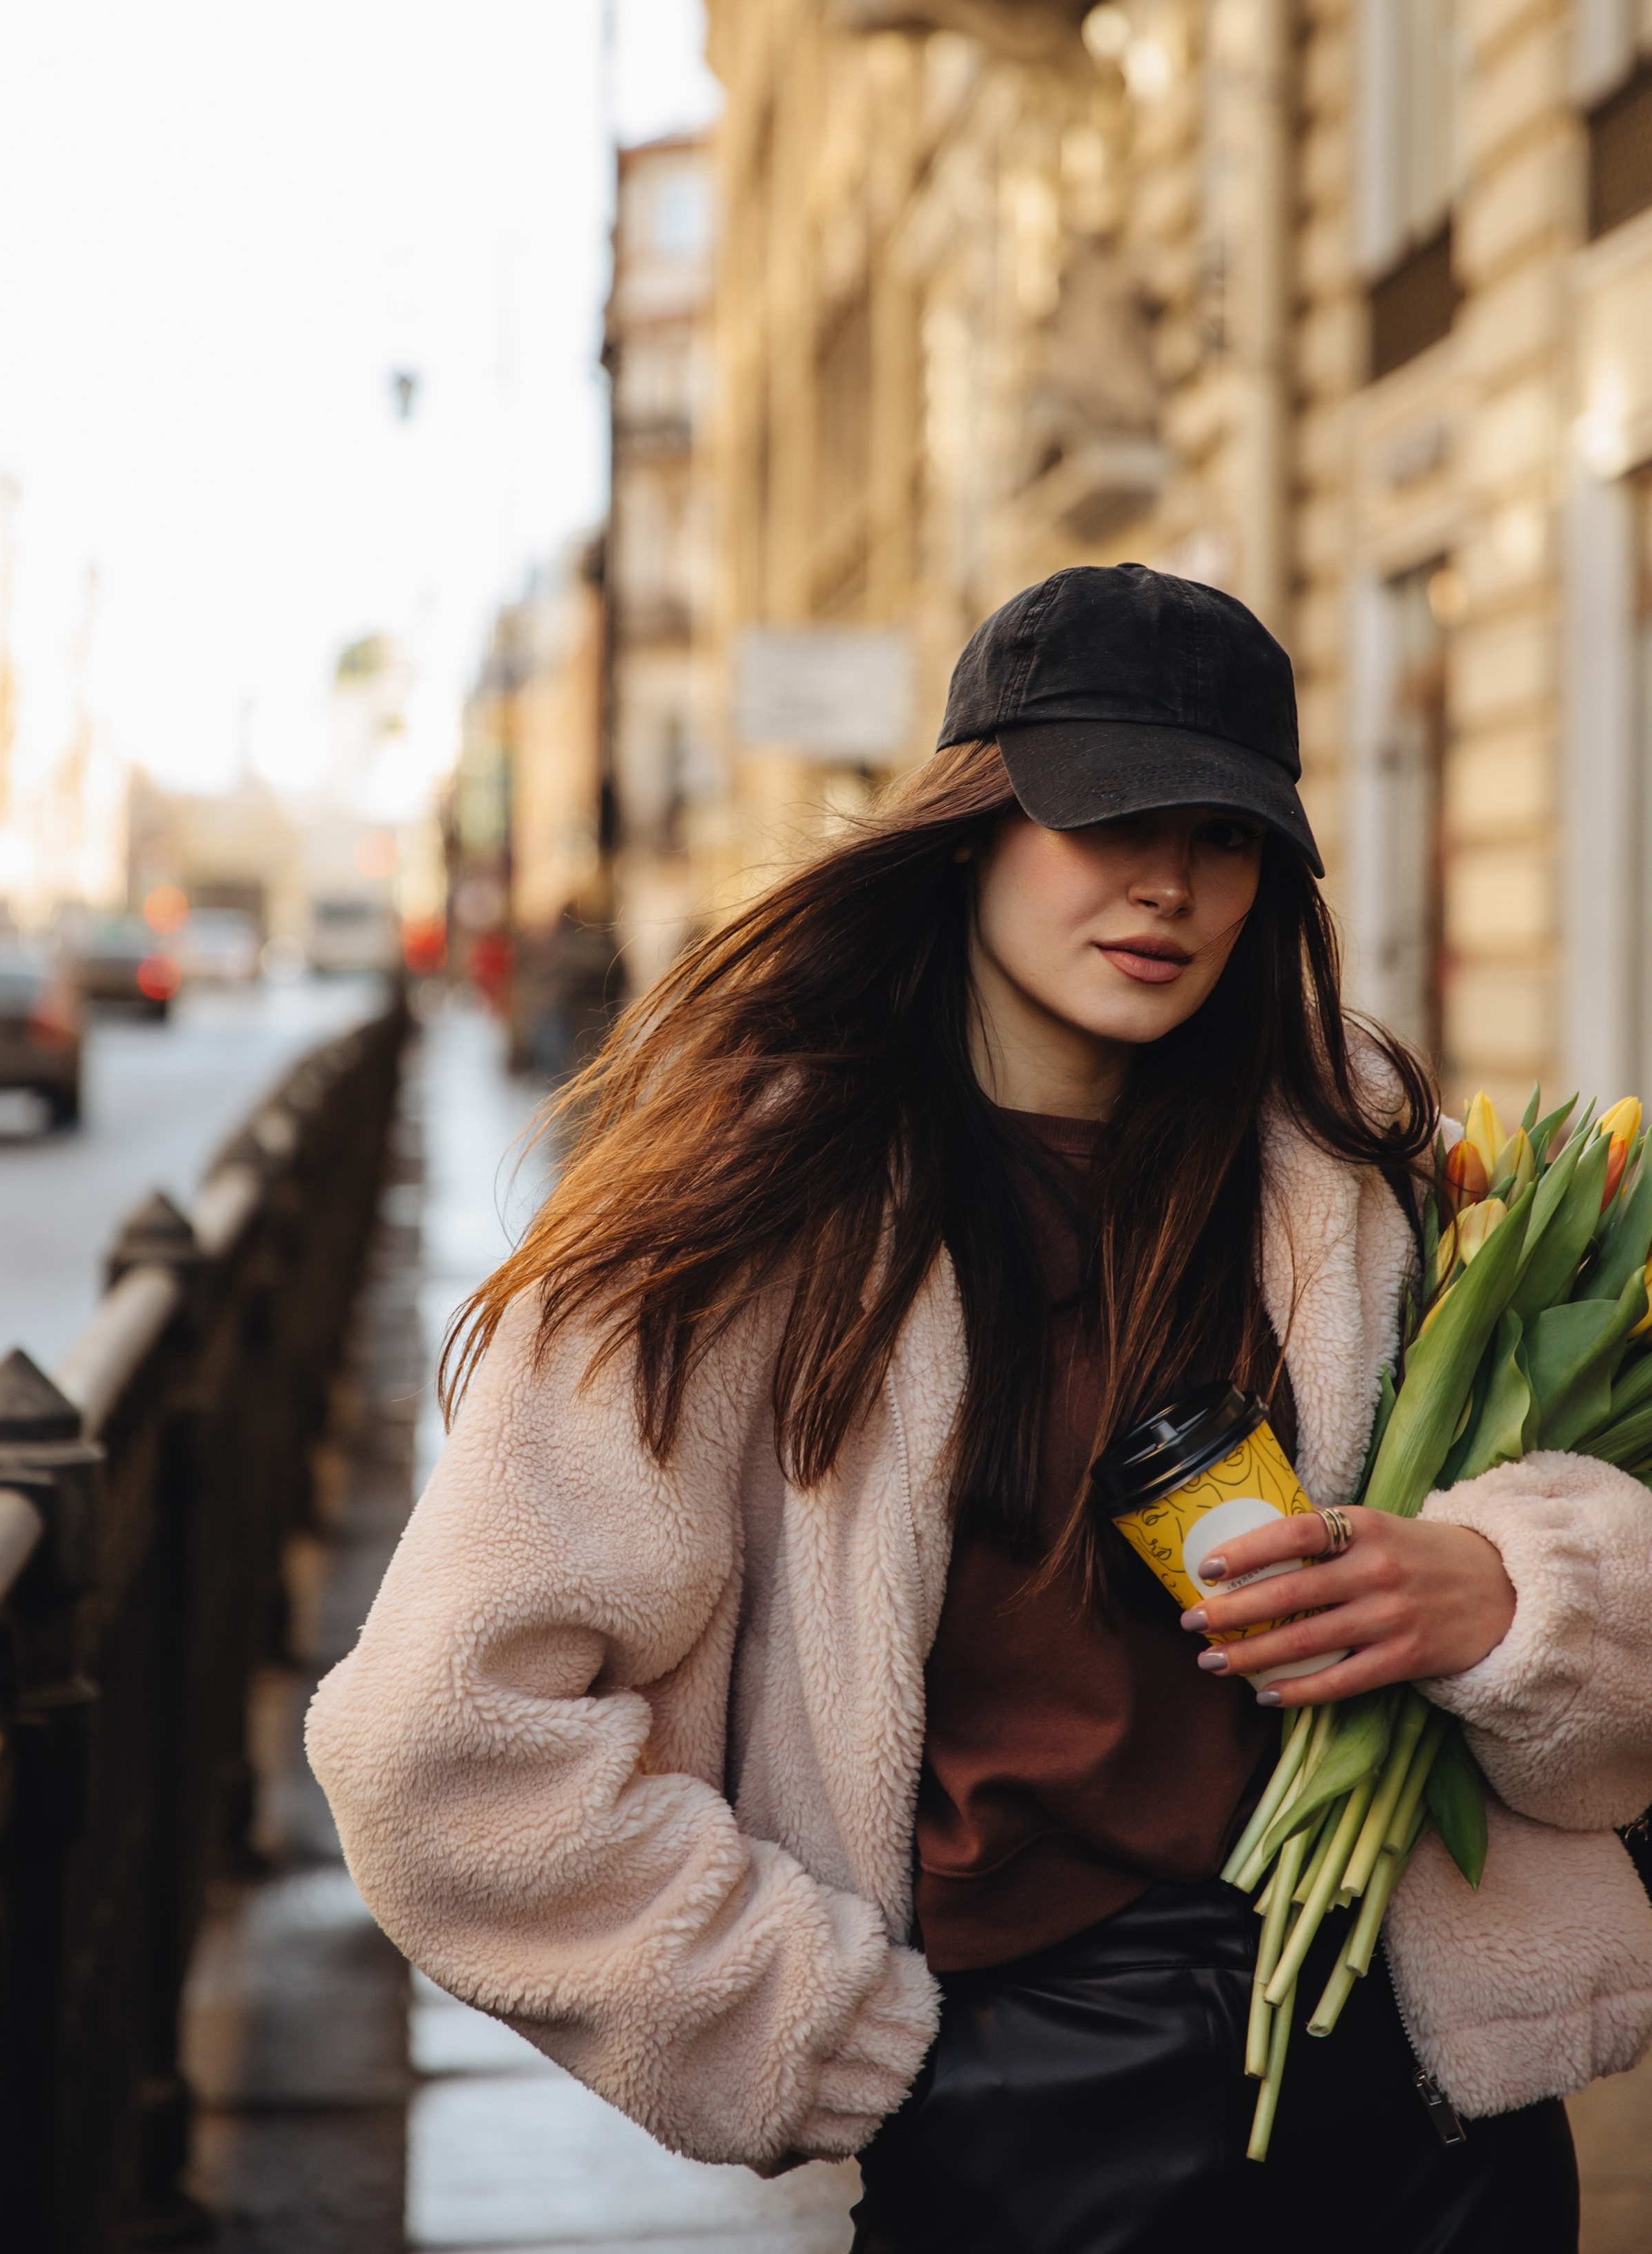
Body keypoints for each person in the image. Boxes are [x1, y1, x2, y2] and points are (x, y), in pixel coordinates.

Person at [309, 565, 1652, 2253]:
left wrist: (1507, 1596)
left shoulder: (1354, 1157)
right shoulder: (751, 1213)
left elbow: (1585, 1564)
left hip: (1432, 2099)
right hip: (1029, 2103)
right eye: (1107, 819)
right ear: (971, 825)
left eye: (1222, 836)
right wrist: (834, 2040)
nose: (1166, 884)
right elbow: (434, 1749)